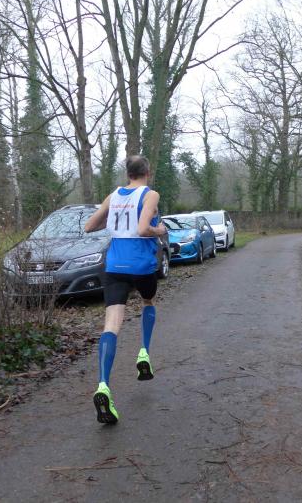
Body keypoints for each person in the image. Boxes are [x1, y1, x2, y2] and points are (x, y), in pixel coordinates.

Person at [83, 155, 167, 424]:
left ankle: (103, 386)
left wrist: (111, 220)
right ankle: (144, 352)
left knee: (111, 325)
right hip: (141, 266)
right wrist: (159, 229)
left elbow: (89, 226)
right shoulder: (150, 194)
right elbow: (143, 229)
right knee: (148, 301)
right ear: (147, 172)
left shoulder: (114, 195)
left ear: (127, 173)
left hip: (115, 266)